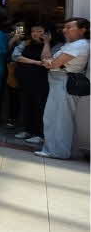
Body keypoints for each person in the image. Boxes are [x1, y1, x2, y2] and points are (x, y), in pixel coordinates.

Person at [35, 17, 89, 159]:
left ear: (82, 30)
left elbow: (52, 64)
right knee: (54, 117)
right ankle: (57, 149)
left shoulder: (80, 45)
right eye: (64, 27)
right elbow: (46, 60)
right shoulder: (70, 44)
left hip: (64, 82)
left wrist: (50, 63)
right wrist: (47, 44)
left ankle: (57, 152)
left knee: (59, 119)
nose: (65, 30)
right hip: (57, 81)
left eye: (69, 27)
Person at [11, 23, 51, 145]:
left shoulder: (52, 45)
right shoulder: (26, 43)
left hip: (41, 80)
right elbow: (15, 56)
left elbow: (47, 59)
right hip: (25, 79)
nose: (35, 34)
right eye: (33, 31)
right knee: (27, 104)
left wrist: (46, 43)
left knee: (39, 106)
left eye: (39, 31)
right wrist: (35, 62)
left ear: (46, 33)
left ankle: (39, 134)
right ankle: (28, 130)